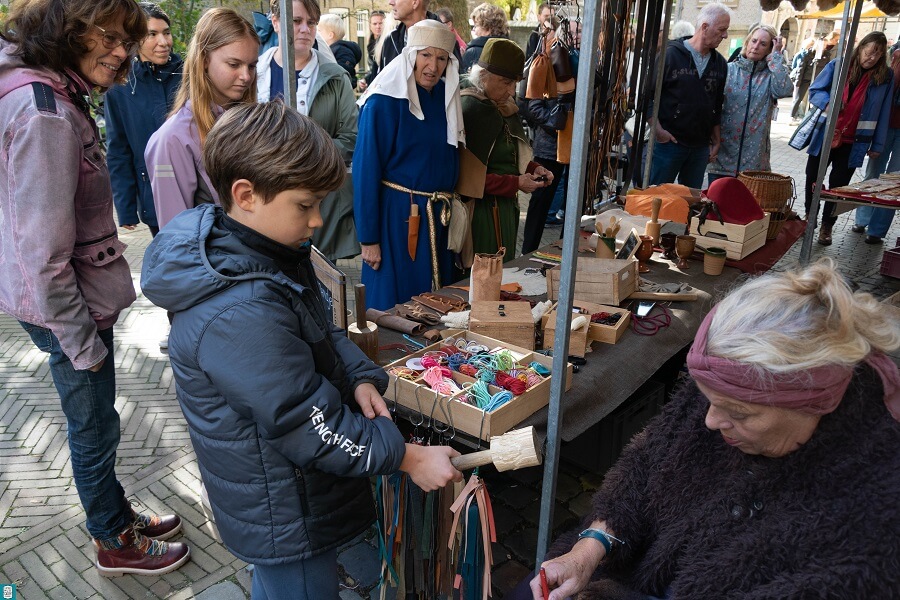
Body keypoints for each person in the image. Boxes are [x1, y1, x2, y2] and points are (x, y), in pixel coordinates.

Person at [140, 100, 463, 600]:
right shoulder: (239, 309)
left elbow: (318, 327)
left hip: (289, 490)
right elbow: (303, 422)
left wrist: (358, 375)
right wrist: (405, 458)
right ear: (246, 195)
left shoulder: (266, 250)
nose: (316, 222)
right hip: (284, 508)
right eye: (305, 205)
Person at [523, 258, 900, 600]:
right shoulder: (724, 388)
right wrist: (589, 548)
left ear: (813, 403)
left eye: (740, 413)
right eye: (709, 401)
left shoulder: (877, 509)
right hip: (627, 575)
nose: (710, 421)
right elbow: (646, 465)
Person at [0, 0, 190, 575]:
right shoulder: (45, 114)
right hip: (67, 308)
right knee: (94, 425)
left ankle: (114, 512)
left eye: (127, 40)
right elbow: (45, 256)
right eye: (108, 37)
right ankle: (113, 539)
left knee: (97, 423)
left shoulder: (40, 90)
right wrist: (82, 342)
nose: (122, 51)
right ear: (67, 32)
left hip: (58, 299)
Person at [353, 20, 464, 310]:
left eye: (441, 58)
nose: (433, 66)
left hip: (439, 217)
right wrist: (369, 239)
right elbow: (365, 172)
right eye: (425, 55)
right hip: (396, 218)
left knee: (438, 304)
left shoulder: (446, 97)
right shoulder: (382, 102)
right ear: (410, 55)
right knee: (394, 299)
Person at [257, 0, 359, 262]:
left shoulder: (335, 78)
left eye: (311, 22)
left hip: (317, 202)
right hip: (264, 200)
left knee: (319, 285)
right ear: (276, 22)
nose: (305, 29)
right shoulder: (253, 74)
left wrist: (306, 157)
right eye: (296, 21)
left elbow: (351, 137)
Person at [145, 7, 259, 230]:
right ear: (204, 60)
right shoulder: (173, 139)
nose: (246, 76)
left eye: (252, 65)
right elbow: (176, 236)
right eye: (234, 64)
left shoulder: (253, 123)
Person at [461, 38, 553, 262]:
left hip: (505, 211)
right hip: (481, 215)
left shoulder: (502, 107)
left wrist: (535, 167)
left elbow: (509, 152)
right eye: (505, 82)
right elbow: (466, 180)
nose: (512, 91)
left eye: (515, 83)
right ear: (483, 75)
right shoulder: (469, 109)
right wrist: (515, 183)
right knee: (483, 280)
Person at [804, 31, 893, 246]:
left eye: (877, 55)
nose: (871, 58)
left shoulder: (885, 77)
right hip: (826, 135)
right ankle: (810, 218)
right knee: (812, 175)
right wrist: (829, 103)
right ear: (860, 48)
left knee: (839, 185)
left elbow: (884, 112)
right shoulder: (839, 65)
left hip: (854, 141)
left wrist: (877, 144)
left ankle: (827, 225)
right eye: (868, 52)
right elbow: (815, 90)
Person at [105, 1, 182, 237]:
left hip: (195, 194)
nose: (163, 42)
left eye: (166, 33)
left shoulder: (190, 75)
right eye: (152, 34)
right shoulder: (120, 87)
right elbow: (119, 150)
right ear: (136, 40)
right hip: (153, 197)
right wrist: (126, 208)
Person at [649, 3, 730, 189]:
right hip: (669, 144)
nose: (725, 35)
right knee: (655, 199)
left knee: (691, 203)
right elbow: (647, 97)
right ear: (704, 27)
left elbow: (717, 105)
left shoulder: (720, 64)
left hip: (700, 148)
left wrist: (716, 140)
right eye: (721, 30)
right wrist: (659, 131)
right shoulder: (670, 55)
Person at [707, 24, 792, 182]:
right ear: (747, 42)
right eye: (754, 41)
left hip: (754, 163)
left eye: (763, 44)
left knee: (745, 207)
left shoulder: (770, 76)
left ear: (769, 49)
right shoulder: (728, 70)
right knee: (716, 205)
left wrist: (777, 56)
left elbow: (784, 90)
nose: (756, 46)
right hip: (722, 157)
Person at [853, 45, 900, 244]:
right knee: (874, 172)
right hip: (886, 123)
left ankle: (877, 230)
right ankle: (862, 219)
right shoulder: (897, 54)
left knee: (894, 179)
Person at [368, 0, 460, 82]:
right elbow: (380, 84)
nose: (391, 2)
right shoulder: (390, 40)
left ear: (415, 2)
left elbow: (456, 85)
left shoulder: (445, 39)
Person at [791, 31, 839, 123]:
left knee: (813, 99)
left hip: (817, 80)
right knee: (799, 98)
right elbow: (801, 69)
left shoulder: (826, 55)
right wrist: (798, 82)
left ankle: (808, 116)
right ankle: (792, 115)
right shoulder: (808, 55)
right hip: (806, 79)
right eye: (823, 45)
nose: (824, 47)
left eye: (825, 45)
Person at [461, 3, 510, 74]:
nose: (474, 30)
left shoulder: (474, 52)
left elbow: (463, 82)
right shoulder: (511, 51)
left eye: (476, 25)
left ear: (487, 29)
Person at [319, 13, 362, 88]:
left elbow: (341, 74)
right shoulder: (328, 50)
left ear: (330, 35)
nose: (317, 34)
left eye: (319, 31)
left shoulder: (343, 51)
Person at [360, 10, 385, 90]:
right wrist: (366, 79)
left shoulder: (387, 42)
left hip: (382, 85)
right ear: (370, 26)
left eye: (380, 23)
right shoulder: (370, 43)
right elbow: (372, 68)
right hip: (373, 84)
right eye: (375, 24)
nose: (378, 26)